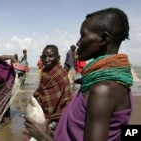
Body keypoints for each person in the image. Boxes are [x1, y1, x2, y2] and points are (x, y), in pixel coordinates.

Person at [22, 7, 133, 141]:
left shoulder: (104, 90)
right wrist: (52, 134)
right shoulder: (96, 82)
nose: (78, 42)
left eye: (83, 35)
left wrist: (43, 137)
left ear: (103, 39)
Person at [23, 44, 73, 141]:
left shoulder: (60, 73)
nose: (47, 59)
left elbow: (50, 100)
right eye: (44, 57)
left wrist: (37, 97)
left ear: (58, 58)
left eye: (50, 56)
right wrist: (36, 95)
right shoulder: (45, 71)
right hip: (48, 114)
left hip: (57, 115)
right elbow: (42, 89)